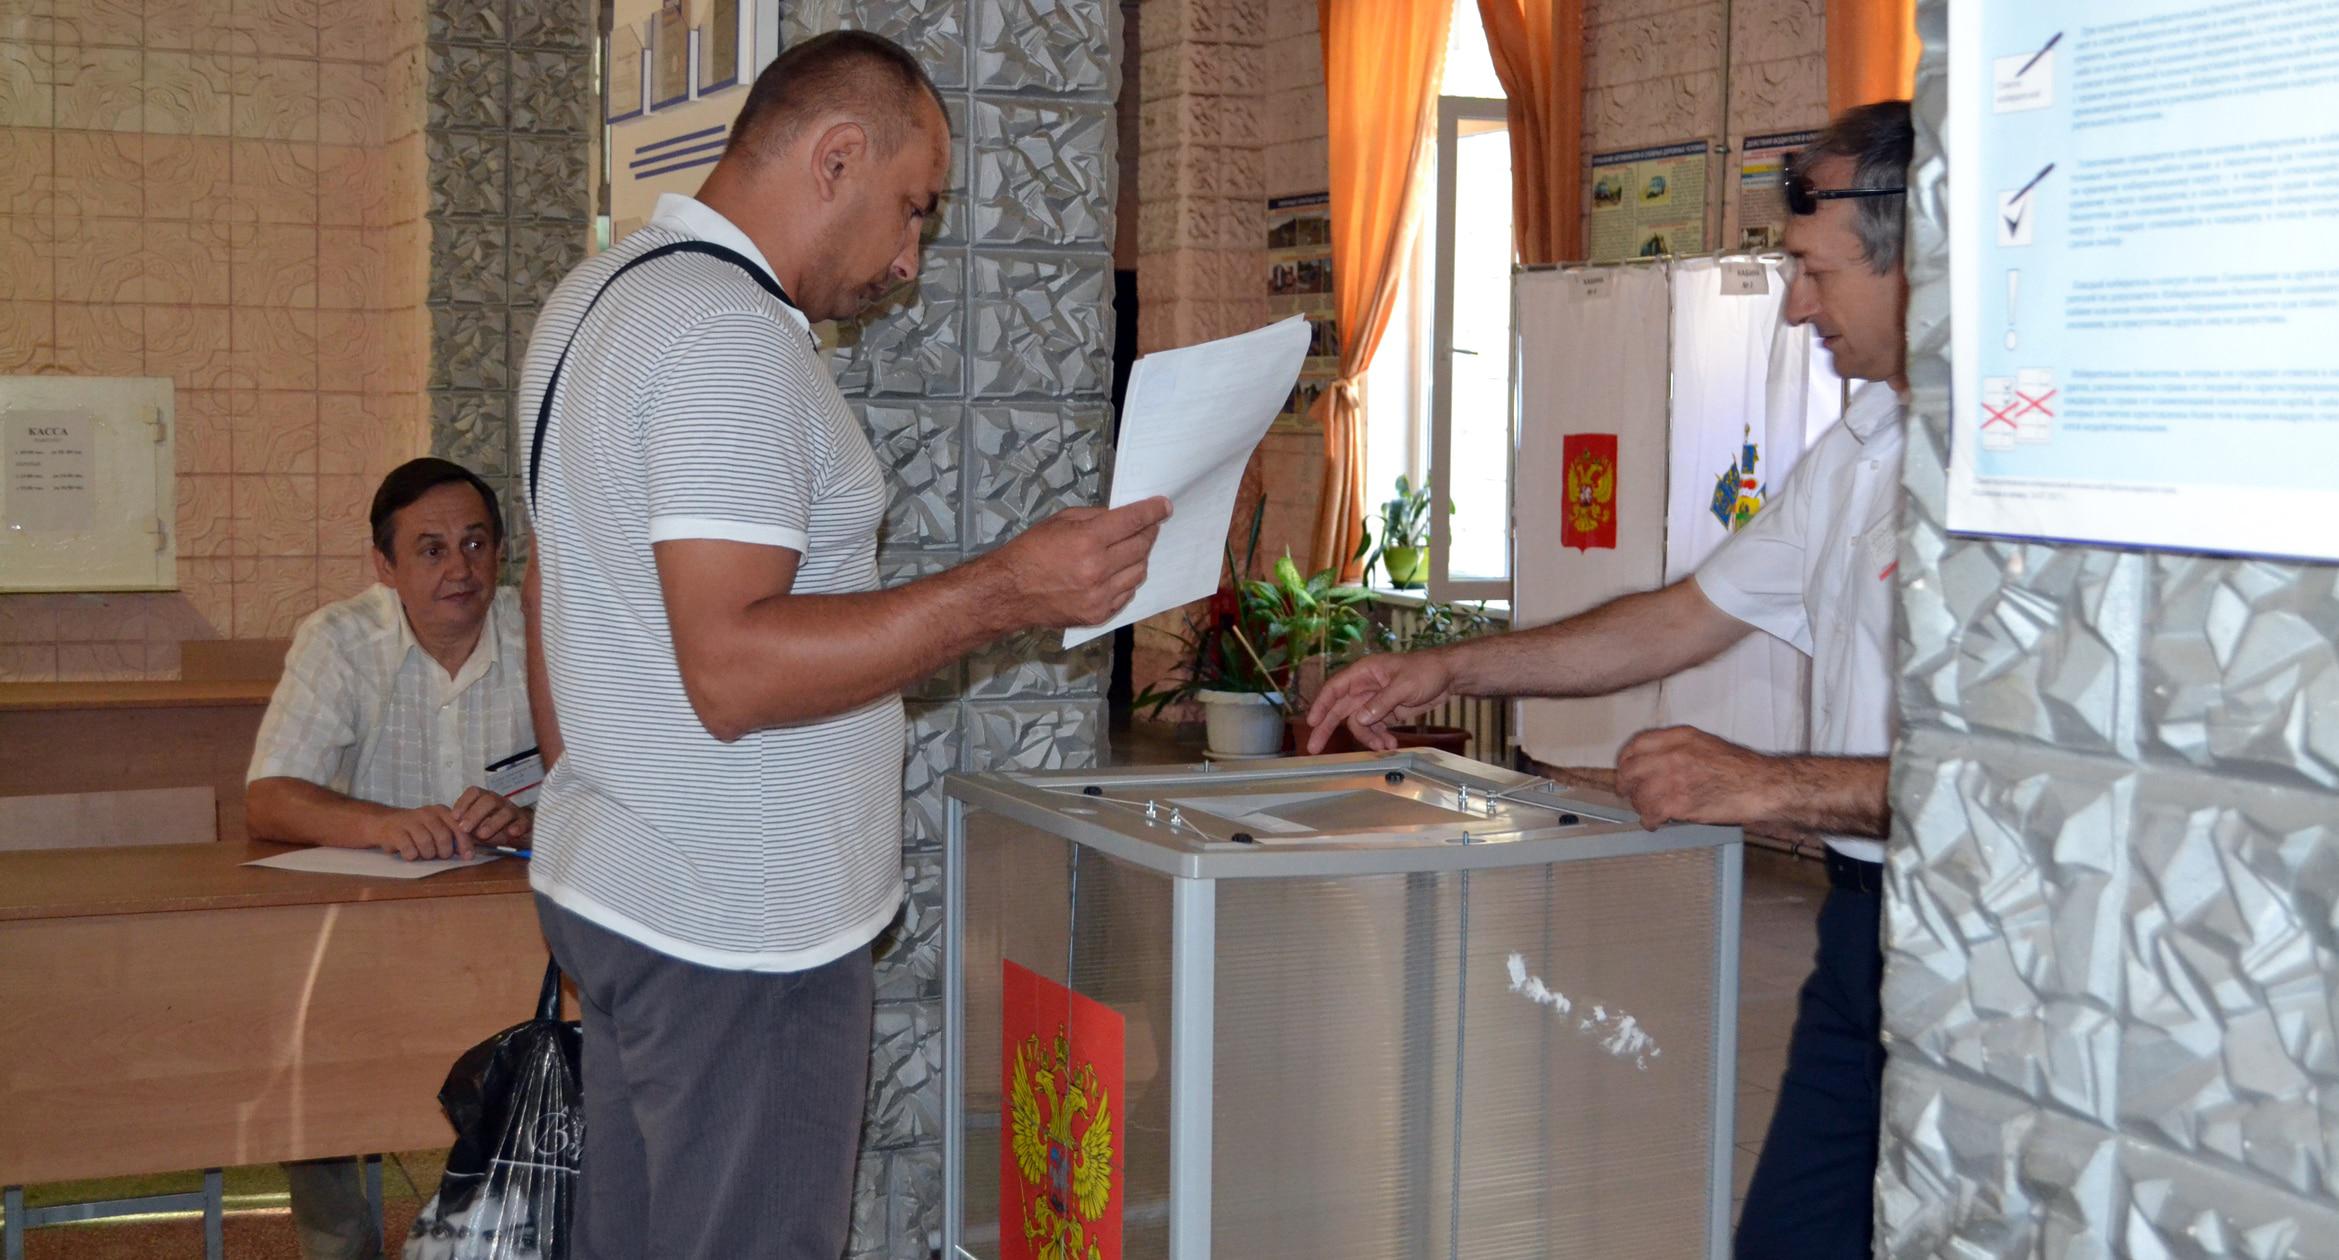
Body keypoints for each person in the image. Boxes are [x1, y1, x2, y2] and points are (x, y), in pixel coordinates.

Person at [517, 30, 1167, 1260]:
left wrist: (605, 793)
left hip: (630, 888)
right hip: (736, 933)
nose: (909, 258)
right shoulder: (724, 337)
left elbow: (552, 581)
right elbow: (734, 670)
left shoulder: (597, 296)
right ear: (835, 157)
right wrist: (1007, 588)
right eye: (913, 208)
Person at [1305, 101, 1916, 1260]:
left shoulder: (2017, 484)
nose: (1795, 306)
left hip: (1966, 933)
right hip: (1858, 926)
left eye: (1814, 271)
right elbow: (1674, 620)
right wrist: (1443, 664)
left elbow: (2020, 785)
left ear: (1916, 260)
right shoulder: (1855, 454)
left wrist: (1770, 784)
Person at [246, 456, 537, 1260]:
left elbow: (612, 781)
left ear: (501, 551)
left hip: (509, 931)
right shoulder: (341, 640)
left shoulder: (542, 636)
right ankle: (340, 1247)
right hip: (362, 936)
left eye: (475, 544)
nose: (460, 570)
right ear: (385, 566)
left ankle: (501, 1234)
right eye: (431, 550)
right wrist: (382, 825)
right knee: (306, 1060)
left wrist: (529, 821)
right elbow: (268, 800)